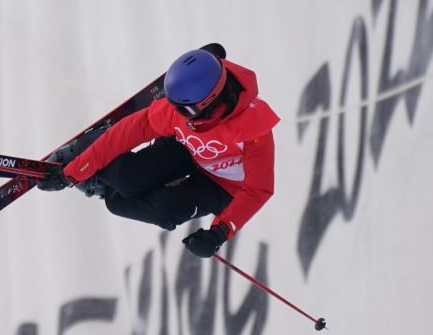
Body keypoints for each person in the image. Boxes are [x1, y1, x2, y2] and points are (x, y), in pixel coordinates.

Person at [40, 43, 279, 259]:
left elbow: (258, 189)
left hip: (224, 186)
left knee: (133, 206)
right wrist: (74, 171)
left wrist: (219, 232)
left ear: (208, 103)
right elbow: (129, 131)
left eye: (183, 109)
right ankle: (96, 159)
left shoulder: (254, 130)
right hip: (189, 149)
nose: (174, 111)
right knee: (127, 178)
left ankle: (106, 184)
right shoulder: (179, 112)